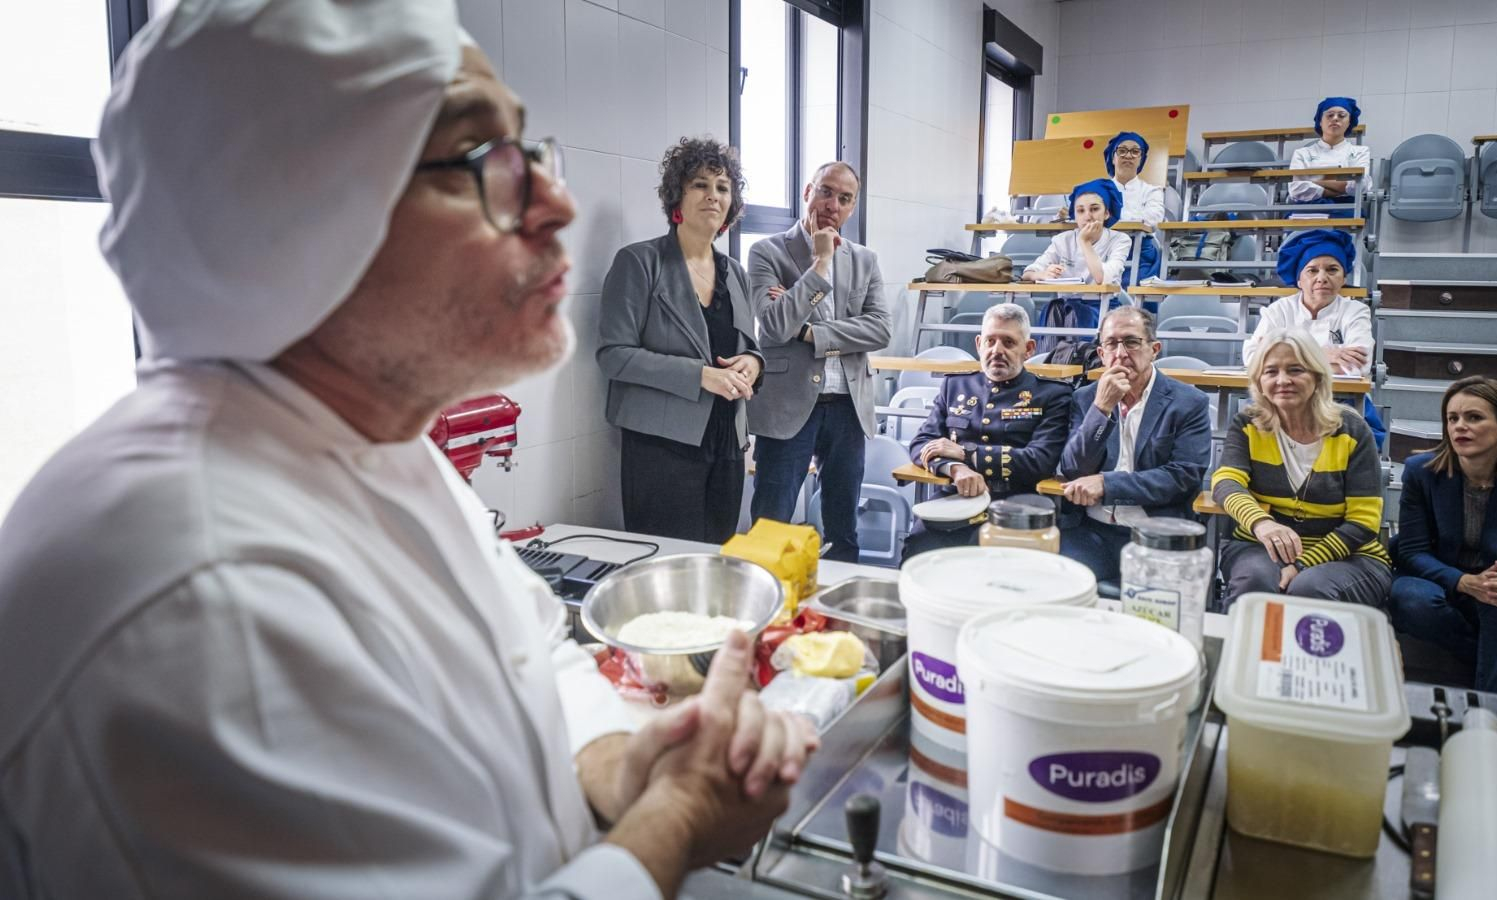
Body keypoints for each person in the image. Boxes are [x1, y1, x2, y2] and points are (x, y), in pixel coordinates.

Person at [0, 5, 813, 897]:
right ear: (293, 217)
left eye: (530, 154)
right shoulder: (195, 600)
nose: (557, 203)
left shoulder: (373, 440)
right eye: (481, 161)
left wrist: (621, 765)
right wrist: (679, 817)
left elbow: (535, 651)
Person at [598, 138, 764, 544]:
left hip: (727, 444)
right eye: (699, 184)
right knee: (667, 562)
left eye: (722, 187)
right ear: (678, 196)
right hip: (662, 447)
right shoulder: (639, 262)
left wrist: (754, 364)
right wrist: (700, 376)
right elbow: (613, 356)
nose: (713, 195)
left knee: (718, 563)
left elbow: (749, 347)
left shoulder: (736, 274)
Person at [746, 162, 891, 562]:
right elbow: (775, 325)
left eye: (845, 198)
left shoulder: (865, 260)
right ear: (808, 191)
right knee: (771, 523)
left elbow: (880, 329)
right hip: (787, 404)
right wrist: (821, 264)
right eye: (826, 192)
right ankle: (767, 596)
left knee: (843, 527)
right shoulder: (766, 252)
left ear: (852, 207)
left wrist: (811, 333)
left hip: (848, 406)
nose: (833, 205)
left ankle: (837, 595)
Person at [1391, 377, 1497, 696]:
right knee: (1410, 599)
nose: (1460, 427)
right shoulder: (1421, 471)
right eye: (1452, 418)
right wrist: (1465, 582)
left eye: (1474, 417)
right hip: (1438, 577)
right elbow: (1412, 552)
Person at [1211, 328, 1392, 609]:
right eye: (1271, 372)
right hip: (1261, 547)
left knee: (1308, 588)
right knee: (1254, 585)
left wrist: (1302, 564)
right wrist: (1261, 523)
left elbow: (1364, 521)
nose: (1283, 380)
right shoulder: (1248, 424)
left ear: (1318, 376)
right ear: (1259, 382)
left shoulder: (1352, 429)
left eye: (1295, 370)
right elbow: (1226, 481)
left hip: (1350, 555)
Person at [1055, 308, 1213, 583]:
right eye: (1111, 344)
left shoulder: (1189, 402)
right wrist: (1101, 409)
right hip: (1090, 528)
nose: (1121, 353)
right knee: (1064, 585)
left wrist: (1108, 484)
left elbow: (1183, 476)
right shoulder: (1085, 398)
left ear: (1154, 350)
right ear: (1101, 353)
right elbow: (1073, 469)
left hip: (1157, 532)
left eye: (1131, 342)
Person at [904, 304, 1073, 557]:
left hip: (1019, 506)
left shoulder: (1052, 394)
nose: (997, 350)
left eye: (1008, 342)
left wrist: (966, 454)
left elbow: (1040, 460)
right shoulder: (955, 385)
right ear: (978, 344)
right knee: (917, 548)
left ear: (1028, 349)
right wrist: (954, 468)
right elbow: (923, 442)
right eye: (990, 341)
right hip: (955, 500)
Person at [1243, 229, 1372, 377]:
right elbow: (1252, 357)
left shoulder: (1355, 311)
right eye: (1312, 270)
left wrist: (1283, 358)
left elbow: (1359, 367)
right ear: (1299, 280)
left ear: (1344, 279)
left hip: (1337, 392)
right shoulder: (1279, 310)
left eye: (1332, 270)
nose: (1322, 278)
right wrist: (1322, 354)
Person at [1021, 178, 1133, 334]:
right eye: (1080, 211)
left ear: (1107, 213)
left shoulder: (1120, 240)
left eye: (1094, 209)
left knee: (1076, 314)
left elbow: (1102, 278)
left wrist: (1084, 242)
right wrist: (1042, 274)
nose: (1088, 216)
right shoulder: (1062, 240)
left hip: (1102, 306)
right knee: (1053, 309)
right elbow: (1027, 273)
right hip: (1065, 305)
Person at [1287, 96, 1370, 218]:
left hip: (1345, 208)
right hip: (1307, 209)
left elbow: (1361, 186)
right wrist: (1339, 186)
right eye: (1330, 115)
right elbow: (1296, 189)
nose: (1335, 118)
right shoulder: (1302, 153)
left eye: (1342, 115)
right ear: (1320, 121)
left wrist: (1314, 180)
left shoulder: (1360, 152)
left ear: (1349, 122)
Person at [1103, 130, 1165, 289]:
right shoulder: (1097, 190)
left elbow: (1153, 218)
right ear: (1113, 157)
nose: (1128, 156)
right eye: (1122, 151)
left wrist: (1108, 216)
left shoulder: (1152, 190)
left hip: (1139, 252)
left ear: (1141, 159)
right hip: (1102, 249)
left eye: (1135, 151)